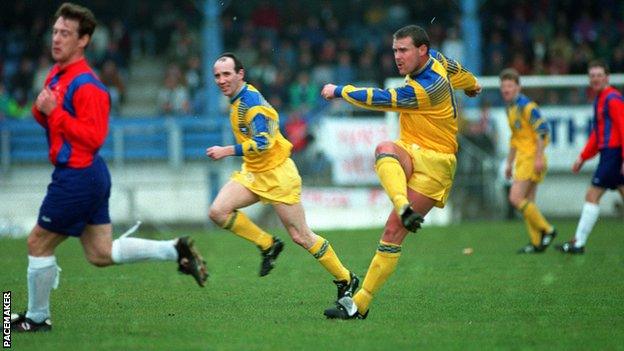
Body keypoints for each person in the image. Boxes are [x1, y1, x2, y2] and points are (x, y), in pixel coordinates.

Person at [10, 3, 207, 333]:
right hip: (84, 175)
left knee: (37, 243)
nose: (56, 39)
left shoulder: (89, 86)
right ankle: (175, 249)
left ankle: (37, 318)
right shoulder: (56, 74)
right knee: (100, 253)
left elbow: (94, 137)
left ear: (84, 39)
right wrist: (44, 110)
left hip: (78, 175)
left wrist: (54, 113)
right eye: (55, 32)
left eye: (66, 34)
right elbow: (43, 115)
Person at [320, 24, 481, 319]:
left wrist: (340, 91)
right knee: (384, 147)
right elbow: (460, 71)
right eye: (395, 50)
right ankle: (403, 205)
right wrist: (472, 85)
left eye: (403, 50)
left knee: (393, 232)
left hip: (438, 164)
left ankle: (360, 304)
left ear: (422, 50)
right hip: (412, 148)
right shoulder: (437, 60)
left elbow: (382, 98)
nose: (397, 56)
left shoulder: (425, 89)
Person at [206, 52, 358, 300]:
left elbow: (264, 142)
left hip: (277, 174)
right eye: (217, 76)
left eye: (226, 74)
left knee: (301, 236)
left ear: (240, 74)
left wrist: (226, 151)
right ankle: (268, 244)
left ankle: (346, 278)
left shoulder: (250, 103)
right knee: (218, 212)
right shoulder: (237, 99)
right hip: (255, 172)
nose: (221, 80)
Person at [557, 60, 624, 254]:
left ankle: (578, 243)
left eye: (599, 75)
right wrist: (582, 157)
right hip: (609, 154)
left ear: (607, 77)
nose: (595, 79)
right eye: (592, 76)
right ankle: (578, 242)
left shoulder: (612, 98)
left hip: (614, 154)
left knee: (592, 195)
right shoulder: (601, 99)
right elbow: (597, 134)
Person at [499, 68, 557, 254]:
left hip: (532, 157)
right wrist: (509, 163)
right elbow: (515, 139)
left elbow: (542, 132)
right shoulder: (510, 108)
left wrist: (539, 158)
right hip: (524, 158)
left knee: (515, 198)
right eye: (504, 86)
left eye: (510, 85)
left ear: (518, 87)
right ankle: (536, 243)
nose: (506, 89)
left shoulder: (527, 106)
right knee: (528, 201)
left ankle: (548, 230)